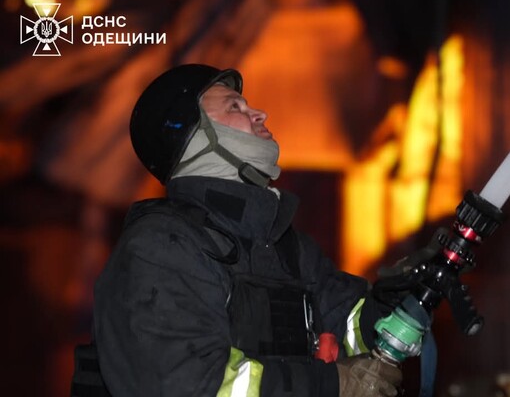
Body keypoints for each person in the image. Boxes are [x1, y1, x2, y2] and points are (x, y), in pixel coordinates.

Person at [72, 64, 404, 397]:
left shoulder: (284, 246)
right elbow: (186, 383)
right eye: (235, 107)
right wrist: (330, 384)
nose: (260, 114)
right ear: (194, 138)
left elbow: (346, 323)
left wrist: (400, 303)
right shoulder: (160, 248)